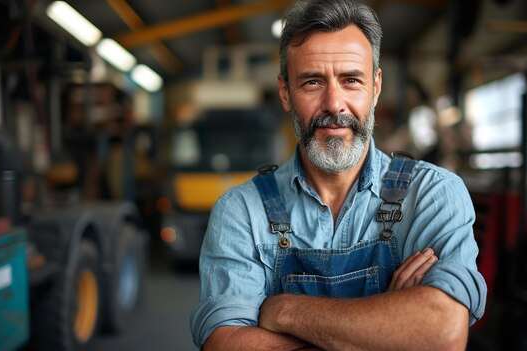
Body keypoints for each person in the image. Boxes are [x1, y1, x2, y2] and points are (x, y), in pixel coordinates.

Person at [190, 0, 486, 349]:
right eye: (313, 82)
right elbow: (226, 344)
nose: (334, 104)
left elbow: (442, 334)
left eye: (351, 80)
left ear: (375, 87)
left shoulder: (433, 194)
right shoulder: (241, 210)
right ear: (285, 91)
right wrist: (390, 331)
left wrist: (284, 311)